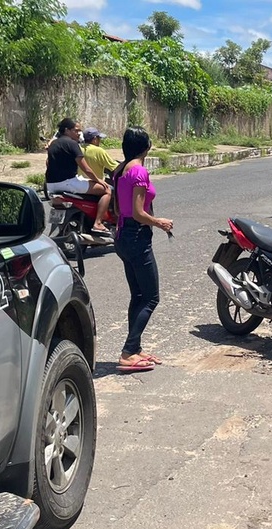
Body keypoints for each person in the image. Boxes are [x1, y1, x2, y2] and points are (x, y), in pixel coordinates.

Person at [112, 127, 174, 373]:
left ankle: (135, 348)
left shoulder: (120, 170)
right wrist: (161, 223)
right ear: (146, 146)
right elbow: (138, 213)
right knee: (151, 297)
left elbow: (119, 210)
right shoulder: (138, 171)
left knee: (138, 296)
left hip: (123, 236)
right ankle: (128, 352)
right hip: (137, 237)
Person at [46, 118, 112, 234]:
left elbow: (48, 162)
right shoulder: (72, 144)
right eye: (76, 131)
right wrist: (99, 181)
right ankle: (98, 223)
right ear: (67, 130)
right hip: (68, 183)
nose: (79, 134)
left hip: (51, 185)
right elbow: (85, 168)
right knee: (106, 190)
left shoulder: (53, 144)